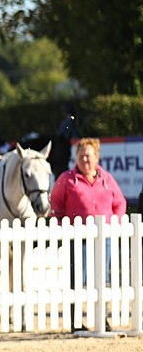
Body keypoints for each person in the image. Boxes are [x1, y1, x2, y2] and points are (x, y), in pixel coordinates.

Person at [50, 138, 128, 329]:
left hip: (104, 238)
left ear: (97, 157)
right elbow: (55, 205)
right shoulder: (67, 179)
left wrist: (114, 223)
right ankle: (75, 321)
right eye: (81, 156)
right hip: (78, 239)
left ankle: (102, 318)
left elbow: (120, 203)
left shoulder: (107, 179)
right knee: (77, 280)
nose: (85, 160)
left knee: (101, 279)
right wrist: (62, 226)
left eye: (88, 156)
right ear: (76, 157)